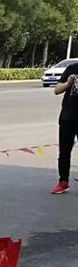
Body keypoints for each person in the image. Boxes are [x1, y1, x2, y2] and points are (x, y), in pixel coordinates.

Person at [52, 59, 78, 194]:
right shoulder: (72, 68)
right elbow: (57, 90)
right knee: (64, 151)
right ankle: (63, 182)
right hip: (68, 116)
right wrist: (68, 83)